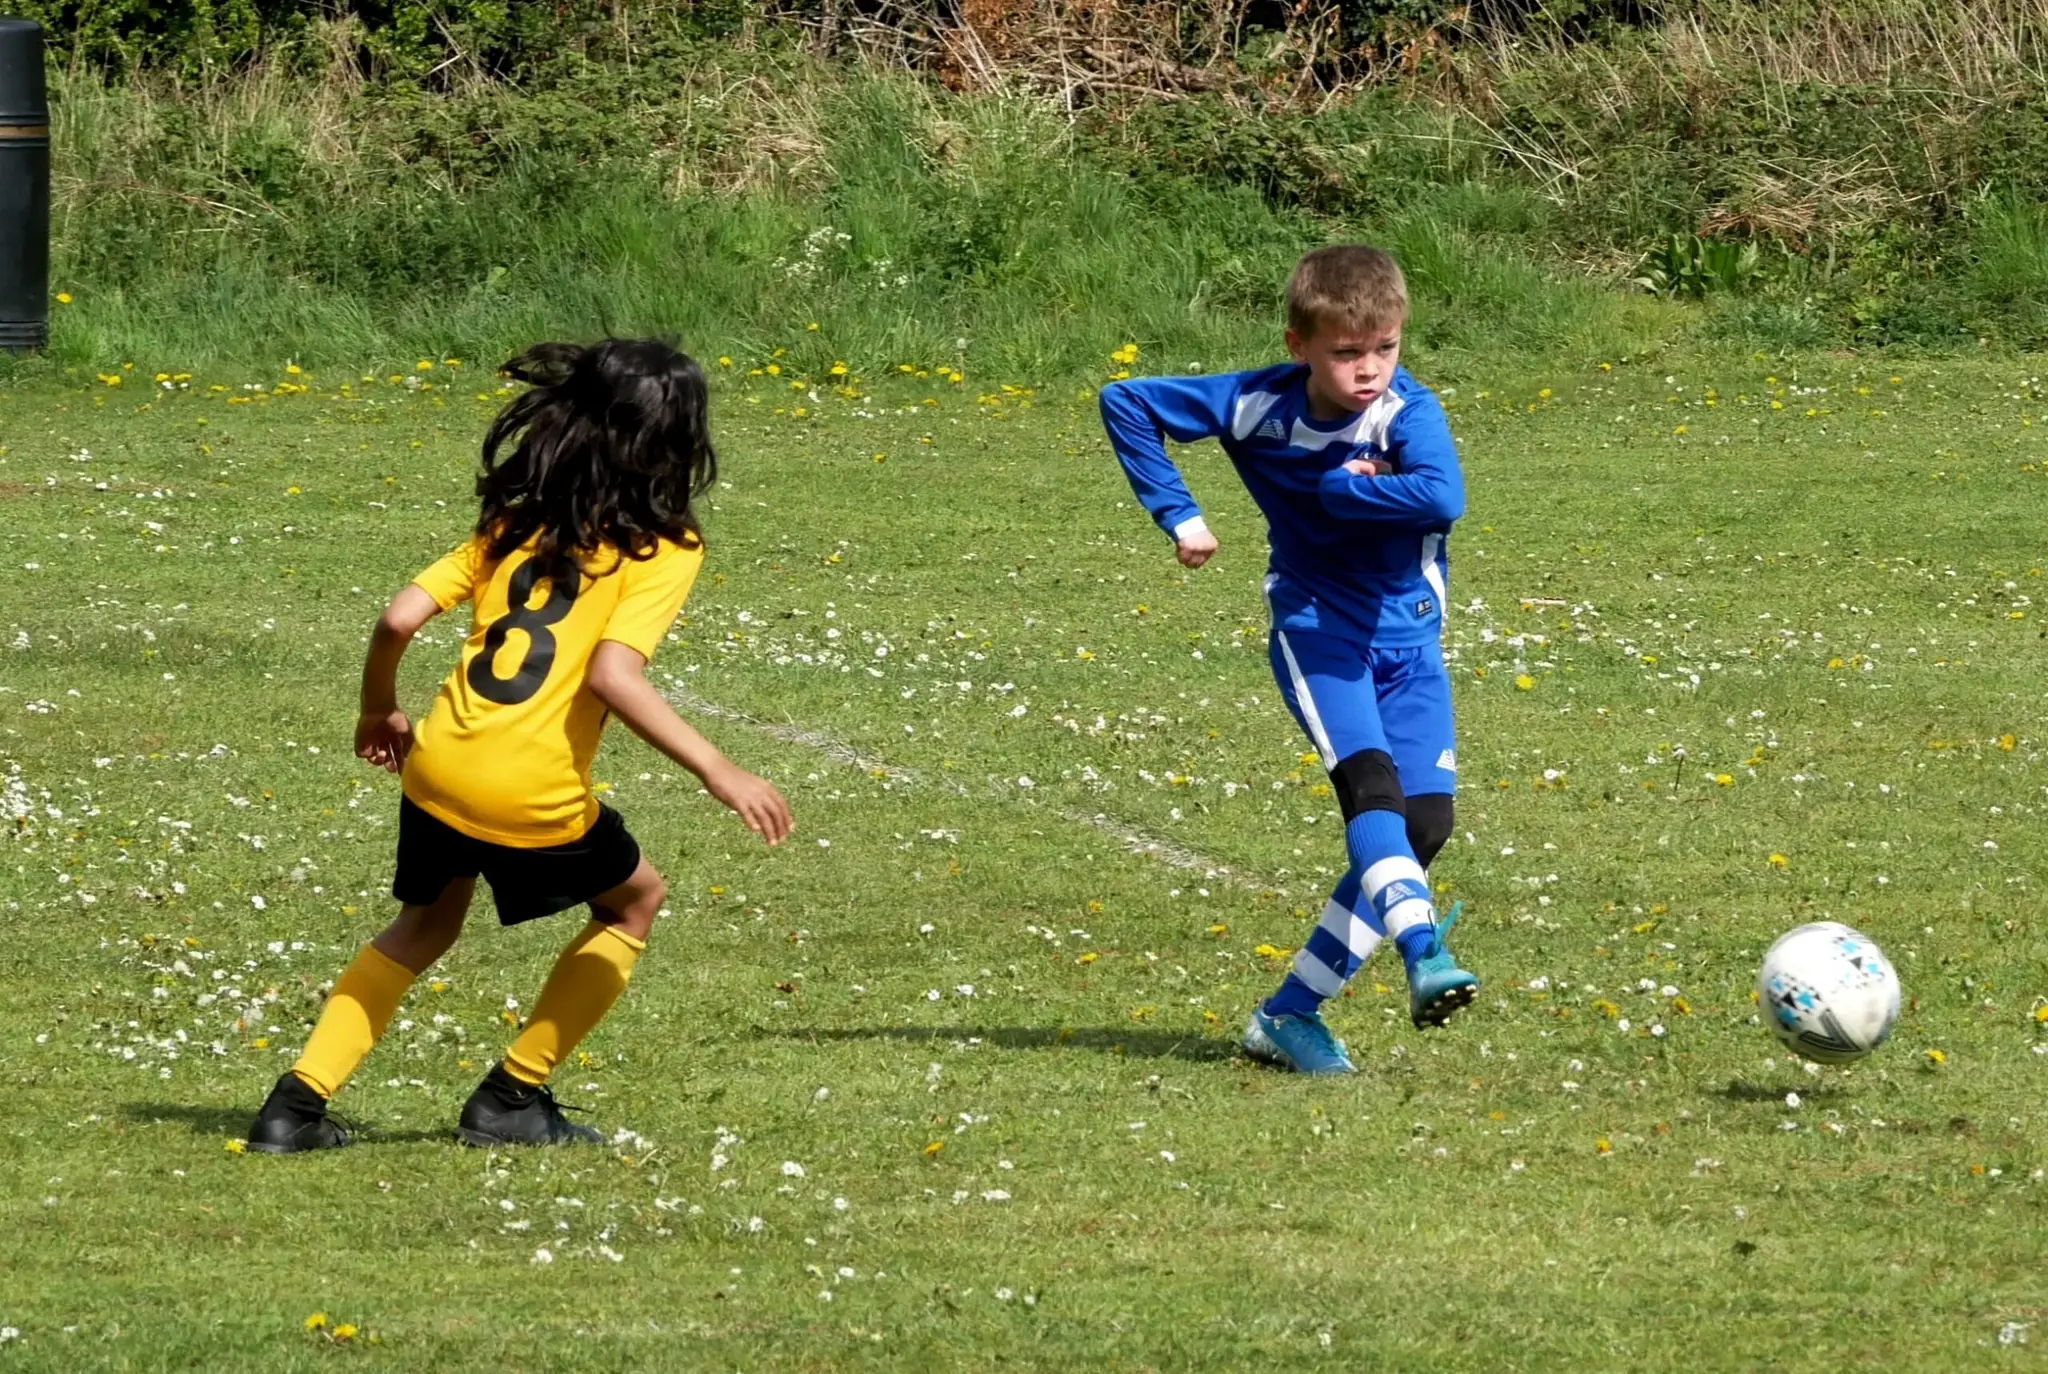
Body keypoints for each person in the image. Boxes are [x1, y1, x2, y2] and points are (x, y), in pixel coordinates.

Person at [246, 338, 792, 1151]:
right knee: (635, 899)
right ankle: (512, 1097)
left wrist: (377, 711)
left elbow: (398, 617)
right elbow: (615, 676)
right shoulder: (662, 547)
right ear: (674, 444)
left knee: (423, 928)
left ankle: (293, 1109)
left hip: (438, 764)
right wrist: (718, 767)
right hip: (528, 789)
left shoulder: (515, 520)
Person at [1098, 245, 1478, 1076]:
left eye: (1385, 348)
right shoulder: (1253, 404)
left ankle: (1286, 1017)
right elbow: (1125, 401)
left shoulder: (1409, 414)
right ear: (1299, 343)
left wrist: (1348, 491)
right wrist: (1180, 515)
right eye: (1346, 353)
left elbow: (1443, 497)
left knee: (1426, 825)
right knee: (1370, 786)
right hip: (1316, 629)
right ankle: (1423, 952)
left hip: (1411, 641)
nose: (1369, 370)